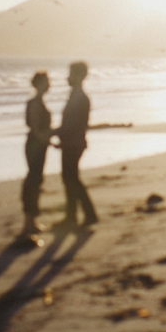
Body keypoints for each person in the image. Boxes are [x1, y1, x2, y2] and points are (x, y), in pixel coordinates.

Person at [52, 61, 98, 228]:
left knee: (71, 179)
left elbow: (72, 125)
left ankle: (84, 215)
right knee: (70, 178)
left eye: (70, 73)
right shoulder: (77, 95)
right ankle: (75, 216)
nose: (67, 77)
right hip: (73, 142)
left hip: (73, 143)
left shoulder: (78, 97)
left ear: (78, 76)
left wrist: (53, 133)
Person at [22, 71, 51, 235]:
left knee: (35, 179)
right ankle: (28, 222)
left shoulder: (38, 101)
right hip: (35, 144)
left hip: (37, 144)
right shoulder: (35, 103)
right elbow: (35, 128)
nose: (49, 85)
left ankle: (31, 221)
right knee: (33, 181)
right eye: (47, 81)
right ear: (39, 84)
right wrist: (47, 140)